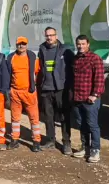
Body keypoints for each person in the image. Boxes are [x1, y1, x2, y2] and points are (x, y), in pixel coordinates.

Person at [37, 27, 74, 154]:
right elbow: (41, 67)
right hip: (46, 88)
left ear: (56, 36)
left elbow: (72, 69)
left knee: (64, 116)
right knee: (48, 117)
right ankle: (50, 140)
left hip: (61, 89)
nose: (49, 37)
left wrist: (69, 86)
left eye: (52, 35)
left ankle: (66, 143)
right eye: (47, 35)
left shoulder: (65, 50)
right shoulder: (42, 49)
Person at [70, 35, 105, 163]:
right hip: (77, 98)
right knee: (81, 125)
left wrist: (95, 95)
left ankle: (95, 150)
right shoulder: (75, 59)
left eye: (83, 44)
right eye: (78, 44)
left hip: (90, 100)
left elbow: (99, 79)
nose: (80, 46)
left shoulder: (95, 59)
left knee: (92, 125)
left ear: (88, 44)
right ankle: (85, 148)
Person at [7, 36, 43, 152]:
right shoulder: (11, 57)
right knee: (15, 118)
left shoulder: (32, 57)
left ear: (26, 45)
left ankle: (36, 141)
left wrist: (34, 87)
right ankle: (14, 140)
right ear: (16, 45)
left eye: (23, 44)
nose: (21, 46)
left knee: (34, 118)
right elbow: (8, 73)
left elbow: (38, 73)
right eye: (19, 44)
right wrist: (9, 89)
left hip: (29, 92)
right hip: (15, 92)